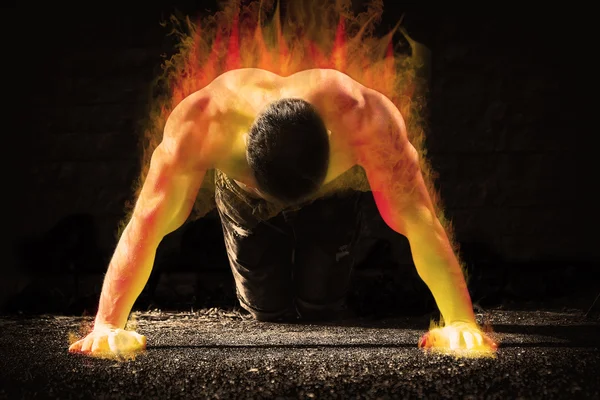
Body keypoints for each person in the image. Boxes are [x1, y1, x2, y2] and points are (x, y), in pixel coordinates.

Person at [68, 67, 497, 358]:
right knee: (268, 311)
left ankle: (322, 248)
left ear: (332, 138)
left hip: (332, 200)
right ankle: (262, 239)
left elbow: (418, 220)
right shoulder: (201, 123)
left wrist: (460, 319)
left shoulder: (367, 119)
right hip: (246, 203)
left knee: (320, 307)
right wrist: (107, 325)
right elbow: (147, 222)